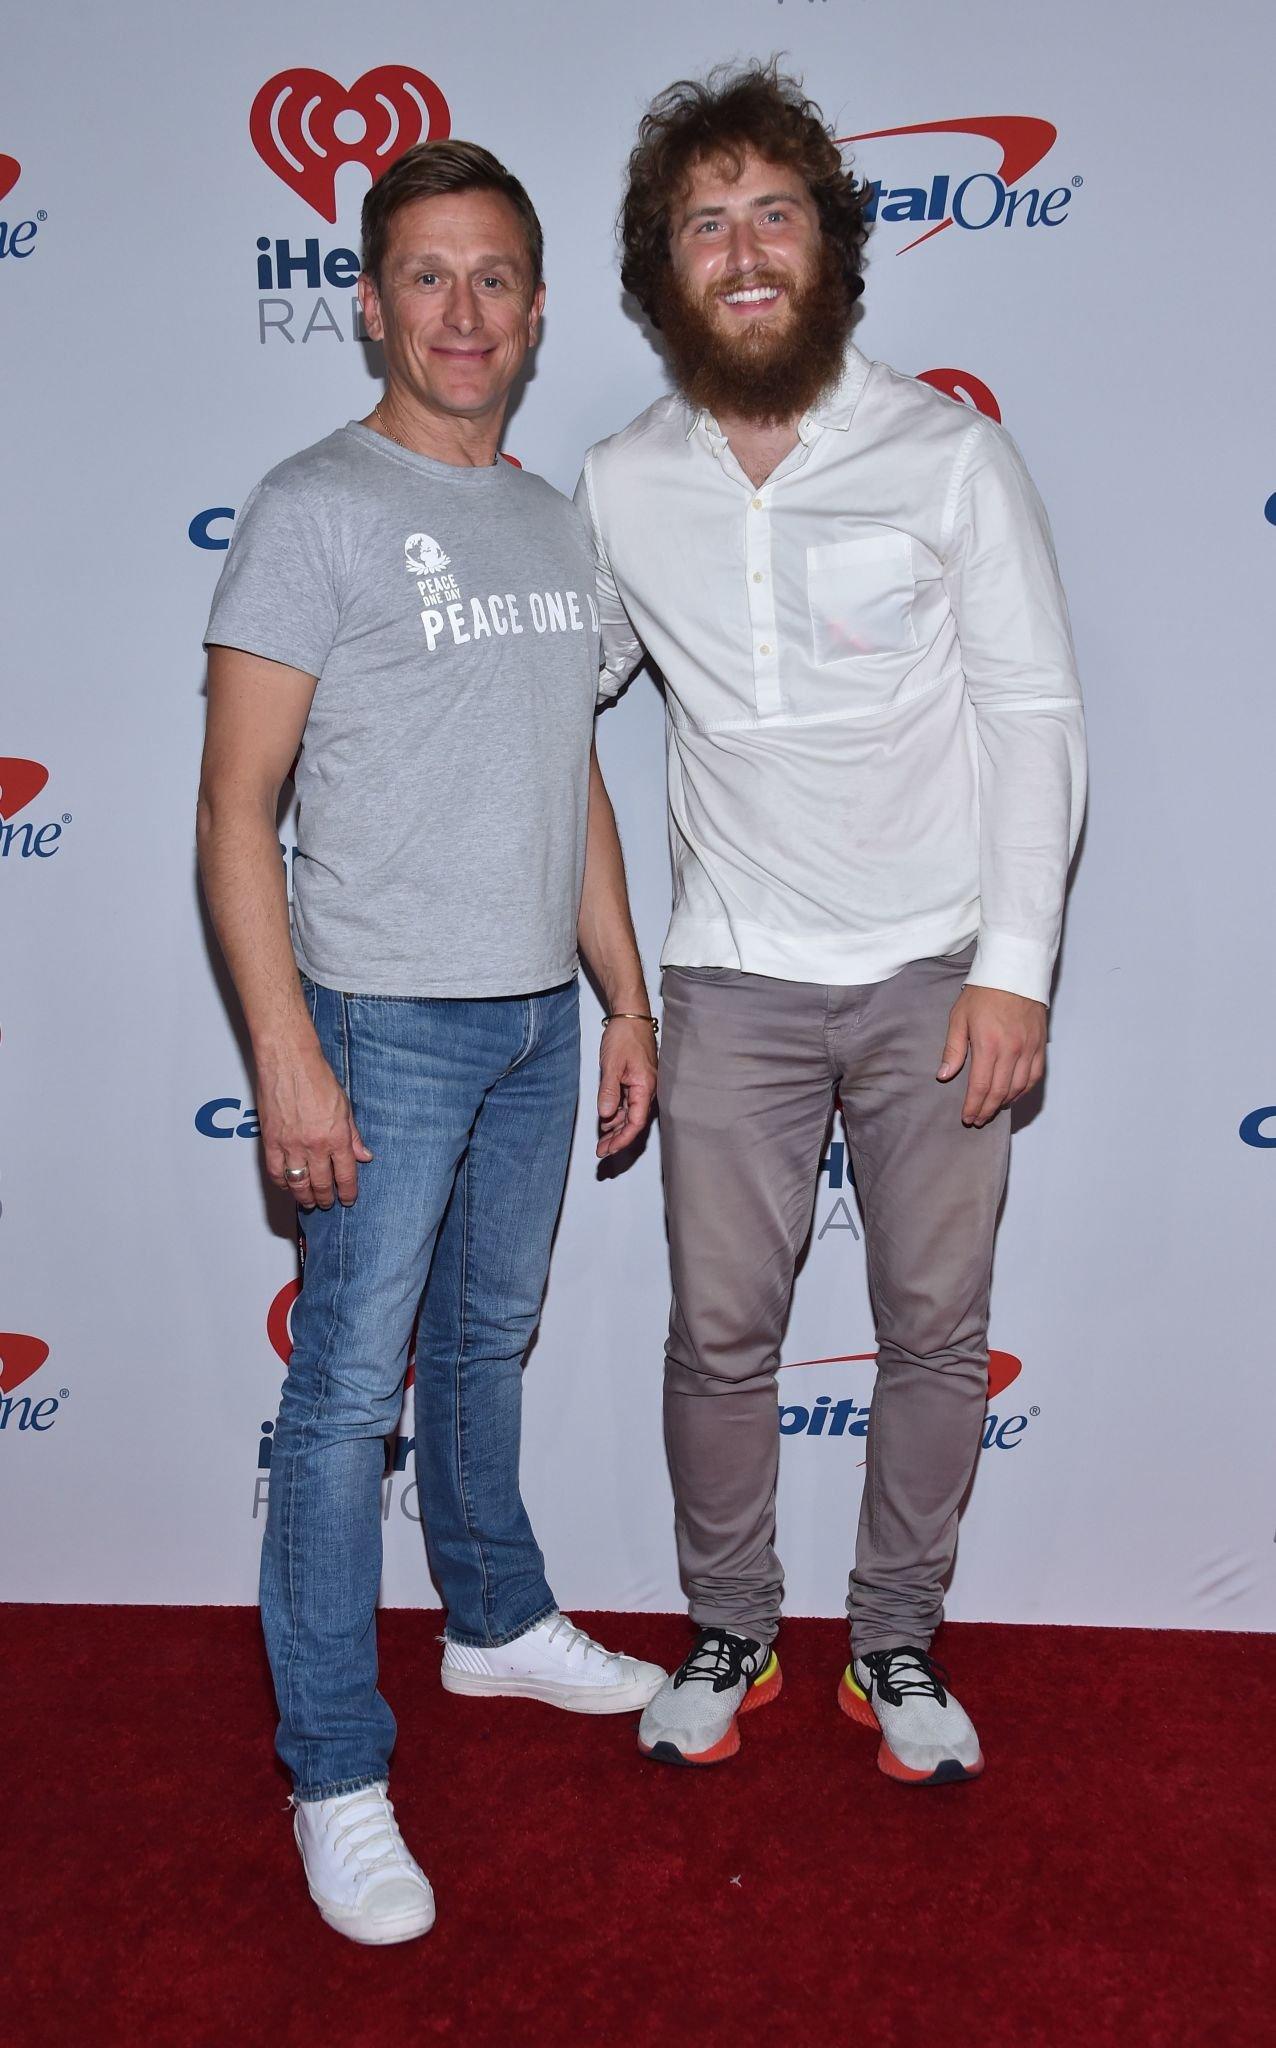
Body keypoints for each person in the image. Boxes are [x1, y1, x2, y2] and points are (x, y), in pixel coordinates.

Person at [576, 65, 1086, 1781]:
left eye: (772, 212)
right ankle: (732, 1628)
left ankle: (895, 1645)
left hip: (939, 968)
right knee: (720, 1335)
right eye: (703, 223)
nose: (741, 250)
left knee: (936, 1329)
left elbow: (1035, 713)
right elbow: (548, 701)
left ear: (831, 250)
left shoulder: (948, 453)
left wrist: (1016, 967)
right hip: (730, 978)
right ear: (665, 272)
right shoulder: (621, 480)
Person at [198, 139, 662, 1946]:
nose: (460, 312)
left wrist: (627, 995)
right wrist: (289, 1054)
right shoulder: (311, 503)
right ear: (372, 299)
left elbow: (578, 787)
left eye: (493, 281)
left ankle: (491, 1622)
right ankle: (333, 1770)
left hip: (536, 1024)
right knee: (336, 1415)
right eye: (425, 276)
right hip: (377, 1020)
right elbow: (237, 812)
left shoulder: (556, 523)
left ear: (536, 314)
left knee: (488, 1348)